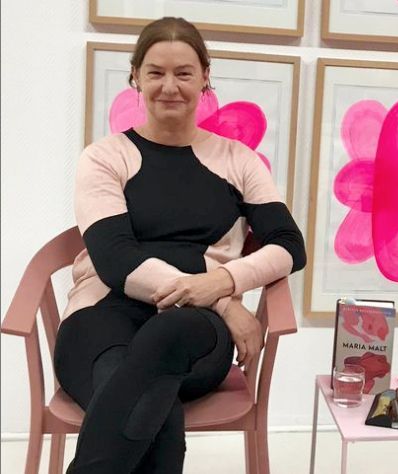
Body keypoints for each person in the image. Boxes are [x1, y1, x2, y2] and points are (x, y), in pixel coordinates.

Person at [53, 17, 306, 473]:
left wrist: (224, 281)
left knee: (159, 353)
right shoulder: (105, 157)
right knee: (151, 404)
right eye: (156, 72)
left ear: (205, 77)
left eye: (184, 73)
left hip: (193, 332)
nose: (169, 86)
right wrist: (222, 301)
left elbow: (289, 245)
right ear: (136, 77)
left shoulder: (238, 161)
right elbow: (115, 260)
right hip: (102, 318)